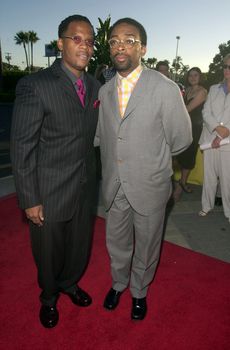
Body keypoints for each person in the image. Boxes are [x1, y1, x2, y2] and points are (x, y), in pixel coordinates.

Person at [95, 17, 192, 321]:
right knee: (117, 243)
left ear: (143, 48)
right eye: (113, 41)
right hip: (114, 184)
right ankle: (119, 283)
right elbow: (102, 138)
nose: (119, 45)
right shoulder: (105, 91)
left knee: (148, 245)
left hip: (150, 185)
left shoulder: (164, 88)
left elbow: (181, 139)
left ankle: (139, 291)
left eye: (128, 39)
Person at [10, 14, 101, 328]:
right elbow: (22, 145)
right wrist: (30, 198)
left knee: (79, 245)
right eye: (77, 38)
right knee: (49, 252)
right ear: (61, 43)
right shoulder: (35, 85)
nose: (85, 46)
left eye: (89, 41)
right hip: (47, 189)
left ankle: (70, 283)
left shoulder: (94, 85)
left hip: (84, 184)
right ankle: (49, 297)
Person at [198, 54, 230, 222]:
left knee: (227, 179)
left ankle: (229, 212)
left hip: (227, 142)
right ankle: (206, 206)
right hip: (209, 140)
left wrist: (224, 133)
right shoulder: (213, 88)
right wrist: (217, 129)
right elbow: (205, 112)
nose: (227, 70)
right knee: (209, 177)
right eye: (225, 66)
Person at [173, 67, 207, 201]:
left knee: (188, 155)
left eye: (196, 75)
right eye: (190, 75)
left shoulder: (202, 91)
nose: (193, 78)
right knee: (178, 154)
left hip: (194, 127)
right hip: (183, 124)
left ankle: (179, 187)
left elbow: (187, 109)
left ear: (200, 77)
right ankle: (181, 182)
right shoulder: (186, 90)